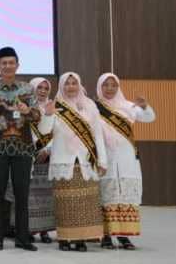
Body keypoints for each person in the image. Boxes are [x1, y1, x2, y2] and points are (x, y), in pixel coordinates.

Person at [0, 47, 54, 251]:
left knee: (23, 195)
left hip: (23, 150)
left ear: (17, 65)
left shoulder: (27, 90)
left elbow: (38, 118)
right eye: (3, 63)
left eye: (11, 62)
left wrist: (27, 110)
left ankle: (23, 238)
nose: (7, 66)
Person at [47, 72, 106, 252]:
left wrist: (103, 160)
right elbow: (44, 131)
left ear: (79, 85)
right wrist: (47, 115)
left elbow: (97, 135)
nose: (70, 86)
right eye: (67, 83)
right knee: (65, 202)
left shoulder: (90, 106)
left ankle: (81, 239)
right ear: (62, 86)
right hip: (63, 160)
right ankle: (64, 238)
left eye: (74, 83)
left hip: (86, 160)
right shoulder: (56, 105)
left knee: (85, 201)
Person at [96, 73, 154, 250]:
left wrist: (145, 107)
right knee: (106, 195)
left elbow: (149, 118)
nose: (110, 88)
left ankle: (124, 236)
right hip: (105, 156)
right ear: (100, 86)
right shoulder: (94, 107)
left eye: (113, 85)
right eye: (106, 85)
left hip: (127, 157)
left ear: (118, 86)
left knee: (125, 195)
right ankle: (105, 235)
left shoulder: (128, 106)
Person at [20, 77, 57, 243]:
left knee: (46, 197)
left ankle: (44, 231)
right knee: (29, 196)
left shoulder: (54, 107)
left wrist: (48, 149)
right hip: (29, 155)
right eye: (39, 87)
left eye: (45, 88)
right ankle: (29, 229)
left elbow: (57, 132)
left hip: (47, 156)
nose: (42, 91)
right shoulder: (26, 107)